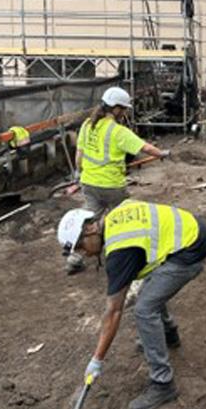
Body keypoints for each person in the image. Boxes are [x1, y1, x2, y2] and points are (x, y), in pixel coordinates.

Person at [57, 199, 206, 409]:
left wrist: (97, 359)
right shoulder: (115, 215)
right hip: (190, 231)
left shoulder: (119, 251)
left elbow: (113, 311)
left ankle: (163, 383)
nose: (83, 254)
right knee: (151, 290)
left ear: (91, 228)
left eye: (81, 246)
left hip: (190, 249)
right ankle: (169, 334)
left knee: (144, 310)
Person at [68, 87, 171, 274]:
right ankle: (121, 257)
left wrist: (78, 173)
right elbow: (144, 147)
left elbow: (79, 155)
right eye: (123, 109)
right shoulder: (117, 131)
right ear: (116, 109)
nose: (124, 113)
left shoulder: (86, 125)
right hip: (112, 186)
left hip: (89, 183)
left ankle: (75, 255)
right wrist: (162, 153)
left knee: (89, 220)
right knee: (121, 221)